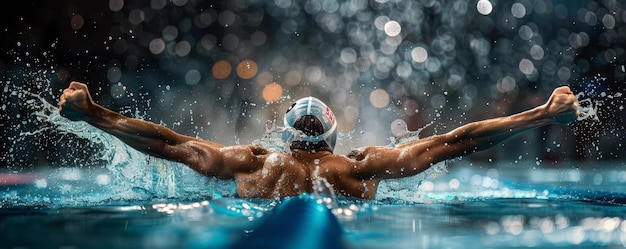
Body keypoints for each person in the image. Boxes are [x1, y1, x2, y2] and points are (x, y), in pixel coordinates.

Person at [58, 81, 580, 199]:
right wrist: (541, 115)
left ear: (283, 134)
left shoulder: (251, 164)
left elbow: (168, 144)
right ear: (334, 134)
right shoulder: (359, 166)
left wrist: (94, 113)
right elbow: (457, 141)